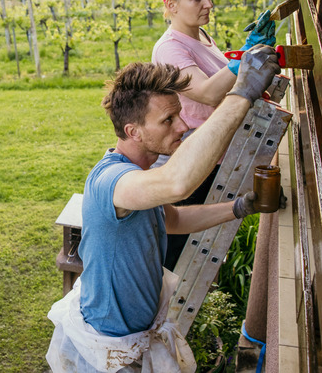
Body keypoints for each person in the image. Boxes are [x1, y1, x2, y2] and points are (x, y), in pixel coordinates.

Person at [46, 45, 281, 372]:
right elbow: (177, 184)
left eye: (179, 114)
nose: (182, 126)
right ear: (134, 132)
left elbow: (173, 218)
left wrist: (238, 208)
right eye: (168, 120)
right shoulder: (113, 181)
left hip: (132, 339)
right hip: (107, 352)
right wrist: (241, 93)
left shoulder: (140, 179)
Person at [151, 0, 277, 271]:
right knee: (176, 256)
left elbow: (225, 81)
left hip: (215, 154)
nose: (209, 4)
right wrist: (246, 57)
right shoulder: (168, 48)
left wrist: (252, 54)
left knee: (199, 252)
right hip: (195, 158)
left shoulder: (202, 36)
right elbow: (207, 93)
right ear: (171, 6)